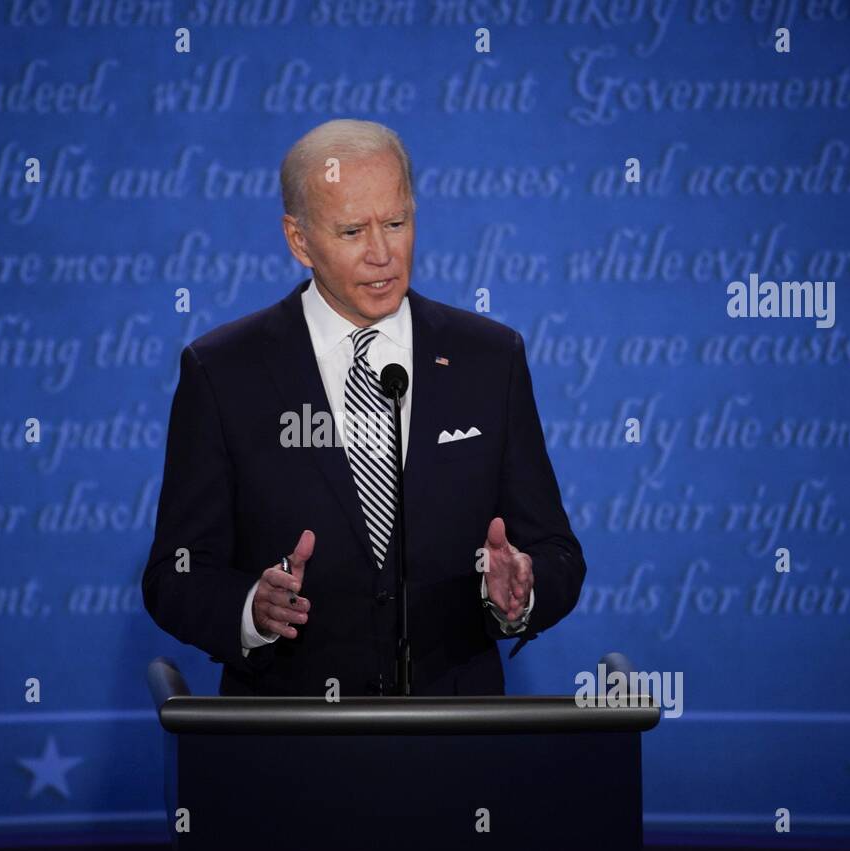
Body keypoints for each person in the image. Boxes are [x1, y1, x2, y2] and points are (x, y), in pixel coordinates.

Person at [142, 119, 586, 696]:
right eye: (352, 231)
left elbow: (556, 551)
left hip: (454, 742)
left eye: (396, 223)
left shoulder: (488, 358)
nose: (382, 253)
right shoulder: (224, 371)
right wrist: (253, 608)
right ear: (298, 240)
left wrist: (521, 590)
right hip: (289, 746)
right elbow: (175, 575)